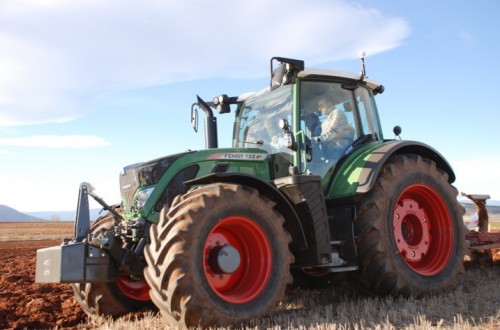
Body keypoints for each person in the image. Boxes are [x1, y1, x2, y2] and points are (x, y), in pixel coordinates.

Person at [312, 95, 354, 163]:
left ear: (329, 104)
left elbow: (333, 132)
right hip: (331, 151)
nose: (319, 109)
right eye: (319, 106)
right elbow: (323, 137)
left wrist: (315, 139)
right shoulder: (325, 122)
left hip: (340, 150)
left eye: (321, 105)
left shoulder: (337, 113)